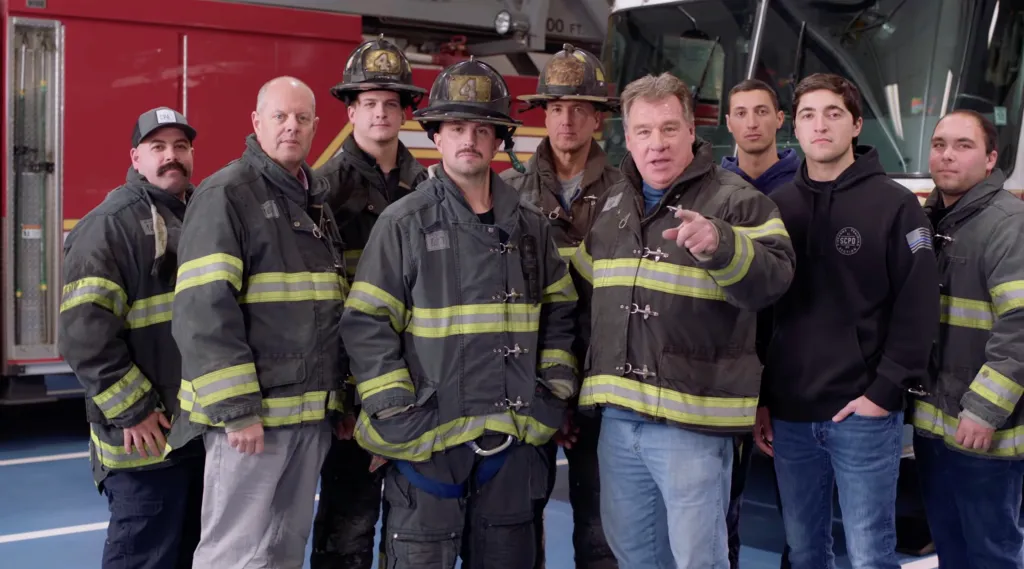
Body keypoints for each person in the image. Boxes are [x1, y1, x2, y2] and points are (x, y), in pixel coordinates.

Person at [341, 57, 579, 569]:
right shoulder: (402, 223)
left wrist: (553, 391)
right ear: (437, 137)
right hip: (428, 447)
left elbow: (561, 311)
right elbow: (365, 323)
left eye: (481, 129)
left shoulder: (532, 228)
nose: (468, 138)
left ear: (498, 141)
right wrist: (400, 413)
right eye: (455, 128)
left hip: (513, 445)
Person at [573, 71, 796, 569]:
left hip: (692, 422)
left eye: (670, 128)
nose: (658, 144)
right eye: (645, 132)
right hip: (618, 420)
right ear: (627, 139)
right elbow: (585, 301)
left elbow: (775, 280)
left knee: (700, 561)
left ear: (692, 131)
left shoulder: (739, 201)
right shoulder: (611, 207)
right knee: (633, 556)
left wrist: (723, 246)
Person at [755, 73, 940, 569]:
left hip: (864, 414)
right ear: (794, 127)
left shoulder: (895, 205)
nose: (820, 125)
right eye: (809, 115)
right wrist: (764, 399)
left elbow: (919, 306)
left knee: (869, 556)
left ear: (855, 124)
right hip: (790, 416)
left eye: (833, 113)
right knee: (804, 551)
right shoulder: (778, 208)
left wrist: (884, 392)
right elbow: (763, 313)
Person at [167, 76, 348, 569]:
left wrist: (338, 399)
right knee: (235, 552)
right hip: (253, 420)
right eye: (280, 117)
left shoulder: (312, 199)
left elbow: (324, 311)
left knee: (284, 549)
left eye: (302, 118)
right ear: (256, 123)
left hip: (308, 414)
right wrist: (237, 409)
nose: (292, 127)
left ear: (315, 126)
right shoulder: (227, 194)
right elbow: (204, 310)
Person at [57, 107, 204, 569]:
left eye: (180, 147)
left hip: (193, 433)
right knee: (143, 556)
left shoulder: (200, 215)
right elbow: (84, 336)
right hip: (143, 441)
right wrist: (135, 411)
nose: (171, 157)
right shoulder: (109, 224)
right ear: (135, 158)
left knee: (188, 552)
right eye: (157, 148)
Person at [501, 42, 621, 569]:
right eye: (555, 107)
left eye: (578, 108)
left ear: (597, 118)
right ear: (542, 115)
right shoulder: (506, 193)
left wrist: (580, 395)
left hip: (604, 386)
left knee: (602, 534)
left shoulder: (630, 193)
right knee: (518, 527)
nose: (566, 119)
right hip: (528, 383)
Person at [312, 35, 428, 569]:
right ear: (351, 109)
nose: (380, 112)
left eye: (391, 102)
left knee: (413, 526)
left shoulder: (428, 186)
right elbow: (321, 306)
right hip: (352, 391)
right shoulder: (321, 191)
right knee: (347, 527)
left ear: (405, 111)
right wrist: (342, 395)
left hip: (416, 385)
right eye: (369, 102)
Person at [913, 109, 1024, 569]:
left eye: (963, 146)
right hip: (935, 426)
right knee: (952, 548)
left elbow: (1019, 326)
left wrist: (983, 410)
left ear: (990, 158)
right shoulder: (930, 219)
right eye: (939, 145)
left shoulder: (1008, 223)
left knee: (991, 553)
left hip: (985, 433)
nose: (947, 156)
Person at [721, 78, 799, 569]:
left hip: (794, 371)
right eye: (741, 113)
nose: (751, 122)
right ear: (727, 122)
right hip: (722, 369)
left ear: (779, 119)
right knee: (720, 505)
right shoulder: (710, 190)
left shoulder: (806, 189)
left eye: (761, 111)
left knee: (802, 511)